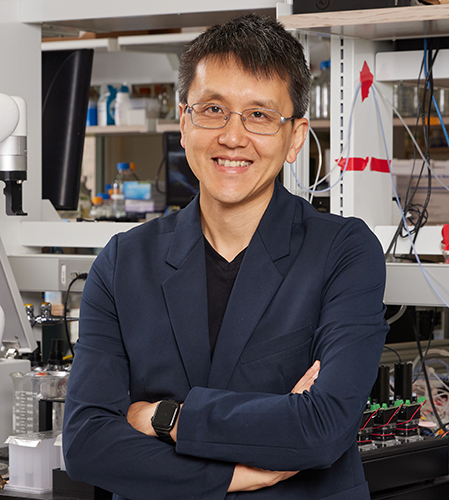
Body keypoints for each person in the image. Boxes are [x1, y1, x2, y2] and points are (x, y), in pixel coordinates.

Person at [63, 14, 388, 500]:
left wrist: (160, 416)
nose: (232, 137)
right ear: (183, 121)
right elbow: (87, 442)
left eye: (259, 115)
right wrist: (231, 475)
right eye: (213, 109)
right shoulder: (124, 261)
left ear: (295, 137)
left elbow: (321, 427)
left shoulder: (343, 251)